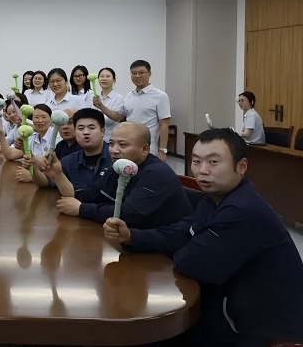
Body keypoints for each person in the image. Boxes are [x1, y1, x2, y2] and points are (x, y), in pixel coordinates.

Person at [104, 128, 303, 346]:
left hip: (257, 330)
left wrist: (187, 245)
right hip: (227, 308)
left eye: (213, 162)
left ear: (241, 167)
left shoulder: (242, 210)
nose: (202, 171)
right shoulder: (216, 198)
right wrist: (132, 236)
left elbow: (192, 263)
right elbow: (183, 231)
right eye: (196, 161)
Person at [46, 121, 191, 228]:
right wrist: (58, 175)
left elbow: (129, 214)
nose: (114, 150)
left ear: (144, 149)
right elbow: (97, 193)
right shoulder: (122, 166)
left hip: (165, 246)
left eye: (122, 145)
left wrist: (81, 209)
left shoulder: (156, 174)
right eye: (111, 144)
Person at [123, 59, 171, 159]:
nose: (137, 76)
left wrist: (162, 150)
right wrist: (101, 106)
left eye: (141, 73)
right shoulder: (128, 96)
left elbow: (164, 124)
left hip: (149, 148)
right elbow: (120, 116)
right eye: (134, 73)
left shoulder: (160, 96)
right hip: (128, 146)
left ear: (149, 74)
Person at [92, 67, 126, 143]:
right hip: (95, 141)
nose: (104, 79)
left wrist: (101, 107)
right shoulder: (95, 96)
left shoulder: (118, 98)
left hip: (110, 140)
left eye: (108, 76)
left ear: (114, 80)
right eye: (102, 76)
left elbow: (117, 117)